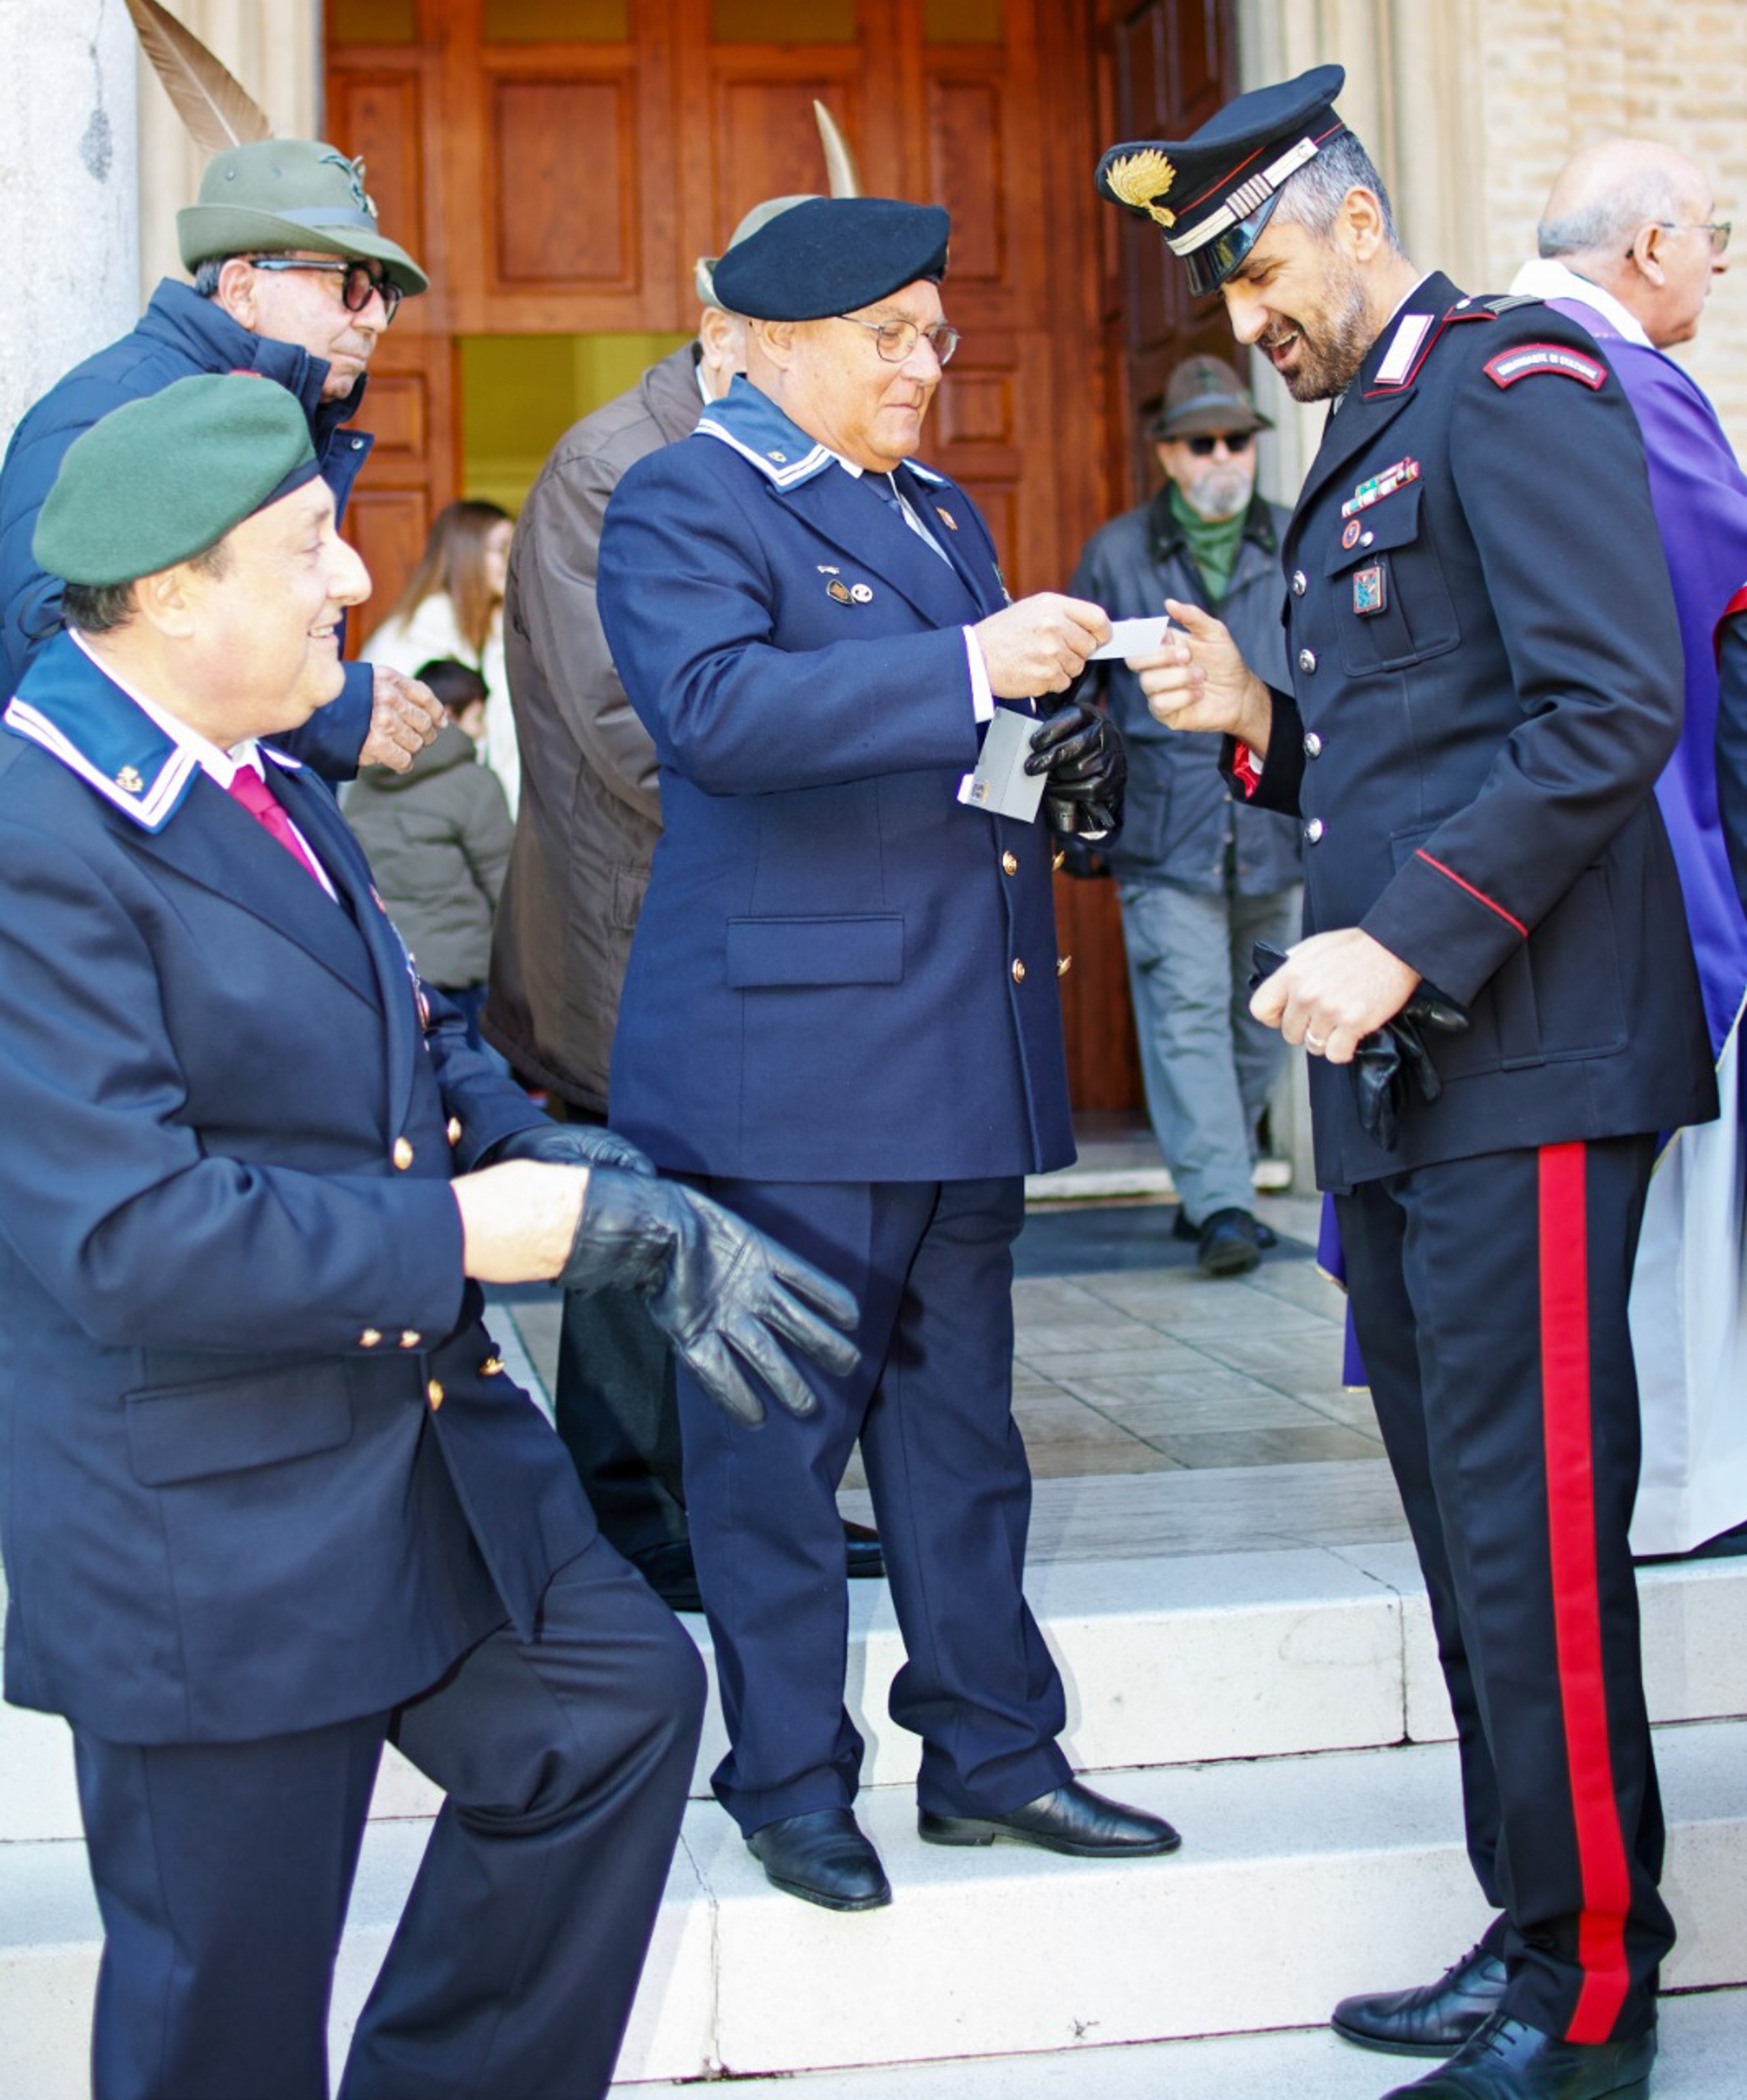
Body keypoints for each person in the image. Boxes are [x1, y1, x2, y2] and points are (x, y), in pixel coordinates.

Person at [0, 371, 858, 2100]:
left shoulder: (253, 772)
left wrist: (596, 1189)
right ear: (173, 589)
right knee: (223, 2018)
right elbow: (127, 1236)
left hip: (415, 1458)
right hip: (210, 1518)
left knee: (613, 1708)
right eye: (308, 544)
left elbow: (424, 1042)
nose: (345, 579)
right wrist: (481, 1224)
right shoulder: (42, 830)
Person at [1101, 68, 1712, 2100]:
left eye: (1259, 269)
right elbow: (1408, 740)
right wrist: (1257, 716)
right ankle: (1531, 1918)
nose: (1249, 325)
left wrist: (1397, 938)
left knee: (1536, 1525)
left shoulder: (1512, 371)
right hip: (1411, 1068)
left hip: (1521, 1050)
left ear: (1351, 218)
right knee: (1465, 1526)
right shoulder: (1365, 433)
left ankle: (1597, 1990)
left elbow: (1610, 699)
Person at [596, 192, 1177, 1916]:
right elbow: (708, 712)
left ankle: (991, 1748)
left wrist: (1053, 742)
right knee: (770, 1448)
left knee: (958, 1433)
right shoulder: (686, 496)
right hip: (788, 1061)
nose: (930, 364)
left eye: (933, 333)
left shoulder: (929, 507)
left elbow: (962, 743)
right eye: (893, 336)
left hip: (947, 1042)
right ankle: (783, 1774)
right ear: (772, 342)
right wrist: (959, 662)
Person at [488, 194, 884, 1607]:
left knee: (753, 1206)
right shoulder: (617, 466)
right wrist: (854, 797)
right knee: (640, 1201)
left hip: (759, 902)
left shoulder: (811, 456)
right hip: (631, 909)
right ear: (725, 326)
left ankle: (750, 1499)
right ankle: (632, 1509)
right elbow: (634, 718)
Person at [1510, 141, 1746, 1557]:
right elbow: (1723, 609)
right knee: (1674, 1186)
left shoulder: (1492, 357)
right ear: (1649, 246)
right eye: (1712, 237)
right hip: (1653, 831)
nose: (1718, 264)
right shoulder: (1617, 382)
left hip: (1562, 849)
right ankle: (1681, 1485)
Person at [0, 136, 444, 781]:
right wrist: (328, 707)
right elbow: (67, 648)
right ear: (241, 289)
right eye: (348, 284)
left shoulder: (269, 406)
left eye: (381, 292)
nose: (375, 318)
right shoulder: (112, 406)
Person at [1069, 356, 1301, 1275]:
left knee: (1265, 1019)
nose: (1223, 456)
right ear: (1167, 454)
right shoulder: (1117, 552)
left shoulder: (1297, 540)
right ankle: (1221, 1208)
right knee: (1188, 1014)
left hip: (1277, 827)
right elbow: (1075, 690)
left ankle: (1218, 1176)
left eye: (1237, 439)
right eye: (1201, 441)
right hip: (1166, 836)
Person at [344, 657, 513, 1054]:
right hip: (461, 977)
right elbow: (505, 886)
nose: (483, 730)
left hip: (387, 967)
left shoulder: (364, 779)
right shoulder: (475, 785)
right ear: (449, 715)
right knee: (473, 1092)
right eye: (477, 717)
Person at [362, 502, 521, 814]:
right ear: (467, 554)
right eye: (502, 549)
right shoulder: (407, 641)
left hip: (481, 828)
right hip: (418, 829)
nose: (512, 562)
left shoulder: (498, 637)